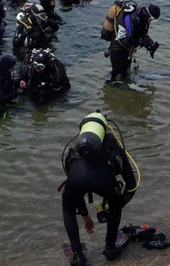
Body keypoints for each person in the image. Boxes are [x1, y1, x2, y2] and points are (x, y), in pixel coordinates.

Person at [60, 112, 140, 265]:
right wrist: (116, 205)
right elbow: (131, 184)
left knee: (68, 208)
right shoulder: (113, 143)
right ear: (104, 128)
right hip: (104, 181)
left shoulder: (78, 146)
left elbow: (74, 191)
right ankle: (110, 248)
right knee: (115, 203)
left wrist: (85, 216)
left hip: (77, 180)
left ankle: (78, 255)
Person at [107, 3, 160, 81]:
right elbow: (129, 39)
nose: (151, 21)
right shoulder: (131, 18)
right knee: (116, 73)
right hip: (117, 47)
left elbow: (143, 35)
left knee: (126, 73)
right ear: (148, 14)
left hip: (128, 48)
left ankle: (123, 91)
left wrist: (151, 44)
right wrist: (143, 43)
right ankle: (109, 90)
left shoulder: (144, 20)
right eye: (152, 19)